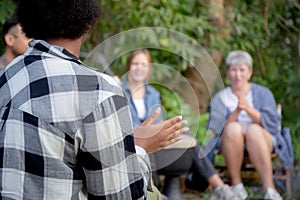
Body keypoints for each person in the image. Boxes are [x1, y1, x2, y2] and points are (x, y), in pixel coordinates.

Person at [0, 1, 186, 199]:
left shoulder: (7, 77)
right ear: (87, 26)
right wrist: (138, 149)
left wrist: (125, 144)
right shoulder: (99, 92)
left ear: (28, 23)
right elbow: (120, 195)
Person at [121, 49, 239, 200]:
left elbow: (158, 120)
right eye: (135, 63)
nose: (139, 68)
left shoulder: (153, 93)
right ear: (128, 67)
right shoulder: (118, 90)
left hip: (154, 138)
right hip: (134, 141)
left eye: (143, 64)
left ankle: (219, 187)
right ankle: (152, 192)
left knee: (189, 137)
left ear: (149, 68)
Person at [206, 50, 284, 199]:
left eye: (242, 70)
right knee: (234, 128)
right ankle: (237, 186)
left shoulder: (263, 93)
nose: (238, 75)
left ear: (250, 73)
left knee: (253, 130)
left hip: (261, 139)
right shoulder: (220, 98)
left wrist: (248, 109)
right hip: (231, 142)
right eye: (234, 70)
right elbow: (216, 131)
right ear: (228, 73)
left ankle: (270, 190)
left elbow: (273, 125)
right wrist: (236, 112)